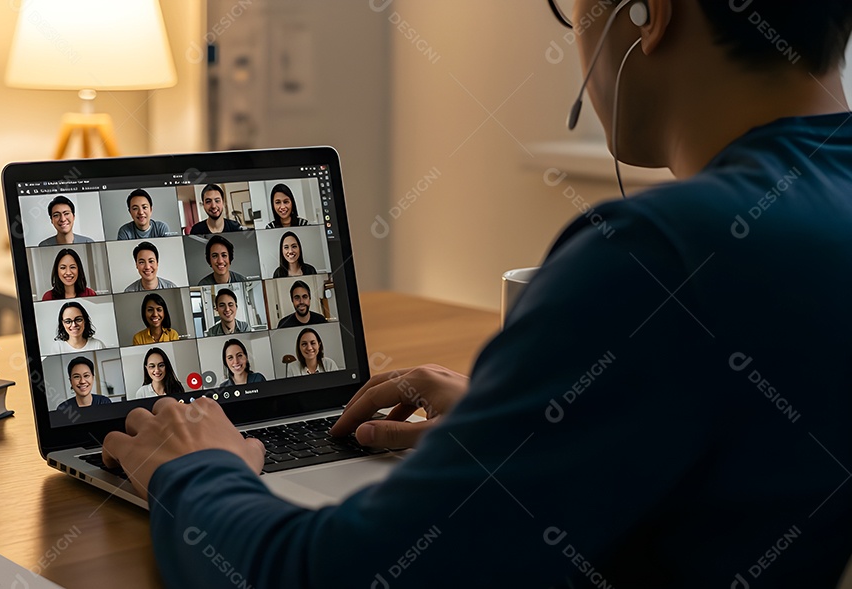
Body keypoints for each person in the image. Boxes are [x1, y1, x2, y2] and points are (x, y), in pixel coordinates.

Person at [102, 1, 852, 586]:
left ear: (647, 14)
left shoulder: (659, 253)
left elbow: (326, 576)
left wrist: (192, 466)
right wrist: (522, 429)